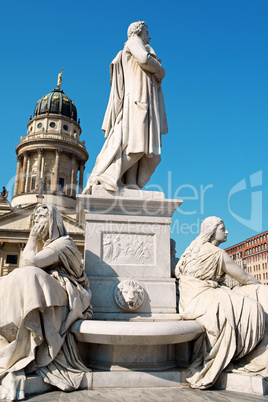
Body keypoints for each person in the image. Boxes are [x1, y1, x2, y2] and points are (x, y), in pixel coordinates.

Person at [0, 204, 92, 400]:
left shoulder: (63, 243)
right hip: (50, 289)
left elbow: (28, 262)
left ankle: (24, 347)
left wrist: (32, 239)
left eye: (41, 218)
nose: (35, 224)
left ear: (53, 221)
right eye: (34, 218)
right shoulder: (46, 246)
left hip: (69, 294)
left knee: (29, 274)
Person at [175, 216, 268, 389]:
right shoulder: (217, 253)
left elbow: (177, 271)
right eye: (222, 228)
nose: (226, 232)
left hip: (188, 298)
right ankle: (245, 356)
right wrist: (259, 287)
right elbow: (244, 277)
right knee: (252, 307)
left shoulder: (191, 248)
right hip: (203, 295)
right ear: (212, 231)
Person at [83, 21, 168, 193]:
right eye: (147, 31)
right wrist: (160, 70)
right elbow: (144, 59)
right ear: (138, 31)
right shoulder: (134, 41)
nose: (149, 36)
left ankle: (130, 183)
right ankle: (108, 176)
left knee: (138, 143)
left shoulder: (138, 44)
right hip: (138, 99)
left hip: (142, 98)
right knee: (138, 142)